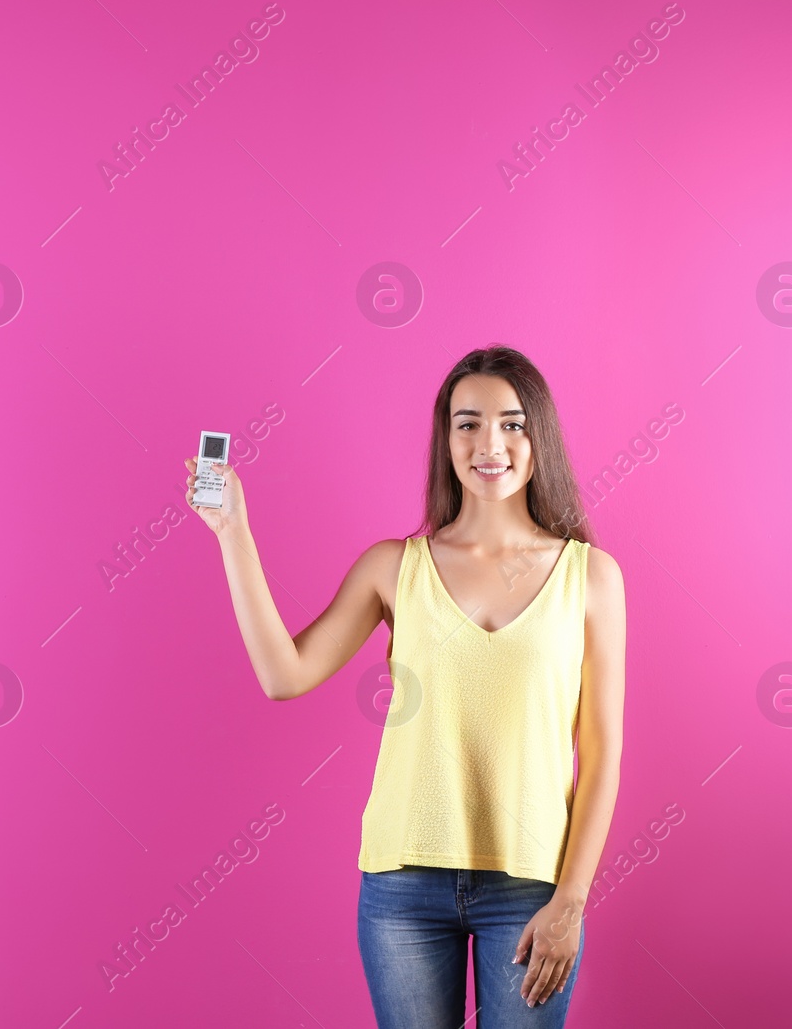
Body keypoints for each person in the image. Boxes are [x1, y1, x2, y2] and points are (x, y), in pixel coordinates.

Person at [186, 344, 626, 1028]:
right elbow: (284, 673)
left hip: (533, 888)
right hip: (403, 887)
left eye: (512, 423)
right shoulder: (394, 567)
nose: (489, 443)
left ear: (539, 436)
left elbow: (600, 755)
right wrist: (231, 530)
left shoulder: (590, 576)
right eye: (467, 422)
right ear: (445, 438)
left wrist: (571, 898)